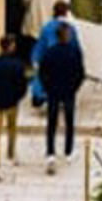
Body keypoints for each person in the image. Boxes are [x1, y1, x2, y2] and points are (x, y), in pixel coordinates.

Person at [39, 22, 85, 173]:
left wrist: (47, 88)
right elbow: (80, 73)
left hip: (53, 90)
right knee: (69, 121)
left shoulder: (50, 52)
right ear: (67, 35)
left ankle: (50, 152)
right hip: (68, 91)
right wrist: (74, 87)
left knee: (51, 122)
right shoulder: (74, 52)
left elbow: (42, 72)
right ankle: (68, 151)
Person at [0, 34, 28, 181]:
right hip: (12, 103)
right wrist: (18, 97)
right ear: (10, 46)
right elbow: (22, 85)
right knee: (12, 128)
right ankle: (11, 154)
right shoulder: (17, 65)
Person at [29, 0, 80, 108]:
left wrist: (35, 59)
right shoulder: (70, 28)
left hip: (50, 59)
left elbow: (41, 44)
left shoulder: (47, 27)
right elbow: (75, 47)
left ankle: (39, 95)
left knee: (42, 76)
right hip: (65, 60)